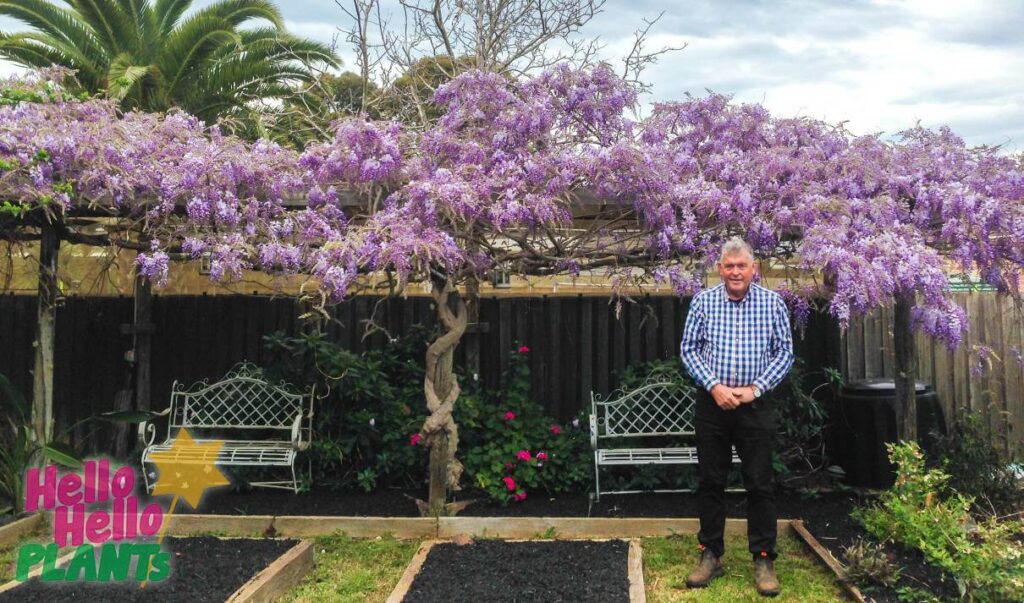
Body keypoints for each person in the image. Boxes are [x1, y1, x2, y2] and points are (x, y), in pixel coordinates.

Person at [679, 236, 794, 597]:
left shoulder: (773, 303)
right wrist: (714, 386)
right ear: (720, 269)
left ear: (753, 269)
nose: (735, 272)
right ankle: (710, 554)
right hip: (713, 403)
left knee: (760, 483)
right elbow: (688, 350)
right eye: (729, 266)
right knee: (711, 481)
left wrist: (755, 389)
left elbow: (784, 354)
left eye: (741, 266)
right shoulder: (703, 302)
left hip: (754, 405)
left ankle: (763, 558)